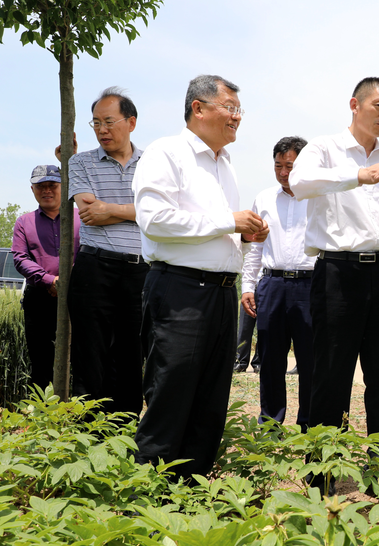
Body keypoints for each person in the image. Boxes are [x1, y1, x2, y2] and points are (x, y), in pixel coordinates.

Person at [132, 75, 267, 482]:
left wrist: (245, 235)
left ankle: (191, 492)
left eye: (239, 110)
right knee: (170, 398)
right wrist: (229, 221)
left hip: (222, 295)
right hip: (181, 293)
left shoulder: (225, 164)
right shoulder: (166, 153)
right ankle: (150, 496)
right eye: (230, 107)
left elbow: (212, 231)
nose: (237, 117)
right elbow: (155, 220)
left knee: (210, 402)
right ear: (199, 108)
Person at [289, 77, 379, 483]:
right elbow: (299, 183)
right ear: (354, 104)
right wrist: (359, 175)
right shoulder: (324, 148)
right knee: (331, 373)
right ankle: (322, 472)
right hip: (337, 272)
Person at [67, 87, 149, 416]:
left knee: (132, 353)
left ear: (131, 122)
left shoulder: (153, 164)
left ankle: (125, 429)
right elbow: (88, 211)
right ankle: (88, 431)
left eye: (109, 121)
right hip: (94, 268)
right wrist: (137, 212)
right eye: (96, 123)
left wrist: (111, 210)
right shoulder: (80, 162)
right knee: (90, 354)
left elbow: (162, 214)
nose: (102, 129)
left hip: (141, 271)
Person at [241, 136, 313, 428]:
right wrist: (248, 286)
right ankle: (270, 425)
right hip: (272, 285)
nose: (283, 172)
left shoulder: (319, 197)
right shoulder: (264, 199)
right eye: (278, 165)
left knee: (311, 360)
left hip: (310, 286)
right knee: (270, 360)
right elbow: (255, 246)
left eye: (290, 166)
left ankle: (310, 427)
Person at [11, 165, 80, 389]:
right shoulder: (24, 222)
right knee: (40, 361)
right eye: (41, 186)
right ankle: (44, 407)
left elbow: (89, 254)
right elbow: (20, 258)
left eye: (52, 185)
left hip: (78, 297)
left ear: (64, 187)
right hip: (39, 299)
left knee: (83, 359)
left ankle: (78, 408)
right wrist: (50, 281)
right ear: (32, 189)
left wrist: (66, 282)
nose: (46, 190)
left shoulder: (82, 218)